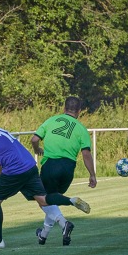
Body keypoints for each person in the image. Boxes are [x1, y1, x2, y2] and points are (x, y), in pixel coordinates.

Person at [0, 118, 91, 249]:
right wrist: (1, 176)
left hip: (15, 170)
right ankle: (71, 201)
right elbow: (2, 154)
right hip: (30, 165)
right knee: (43, 200)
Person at [31, 96, 97, 245]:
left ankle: (64, 222)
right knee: (52, 198)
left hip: (50, 165)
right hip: (68, 169)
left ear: (64, 108)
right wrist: (92, 175)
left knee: (42, 198)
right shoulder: (81, 128)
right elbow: (86, 154)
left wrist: (37, 150)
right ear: (79, 111)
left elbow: (34, 139)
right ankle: (43, 235)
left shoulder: (52, 120)